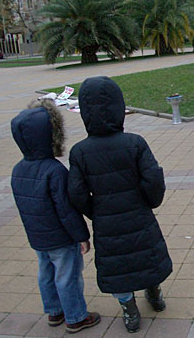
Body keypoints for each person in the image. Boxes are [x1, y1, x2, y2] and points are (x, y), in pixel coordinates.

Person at [67, 76, 172, 333]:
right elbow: (153, 178)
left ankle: (129, 310)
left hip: (106, 220)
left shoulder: (80, 152)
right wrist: (150, 202)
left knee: (118, 267)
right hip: (139, 214)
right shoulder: (135, 143)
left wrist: (96, 212)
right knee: (147, 256)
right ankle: (154, 293)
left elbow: (76, 192)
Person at [10, 99, 100, 334]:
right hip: (61, 238)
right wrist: (82, 236)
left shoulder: (18, 169)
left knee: (46, 272)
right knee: (67, 276)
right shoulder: (55, 170)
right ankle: (76, 316)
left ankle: (54, 311)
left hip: (38, 237)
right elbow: (66, 210)